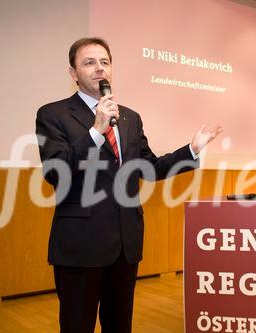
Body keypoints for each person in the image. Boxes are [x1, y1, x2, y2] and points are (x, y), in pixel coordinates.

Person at [35, 37, 223, 333]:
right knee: (76, 325)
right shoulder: (53, 114)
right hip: (80, 244)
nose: (99, 69)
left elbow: (148, 168)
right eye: (89, 63)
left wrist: (191, 151)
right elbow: (55, 172)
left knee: (120, 325)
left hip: (125, 243)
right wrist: (96, 131)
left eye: (105, 62)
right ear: (73, 74)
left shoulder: (130, 118)